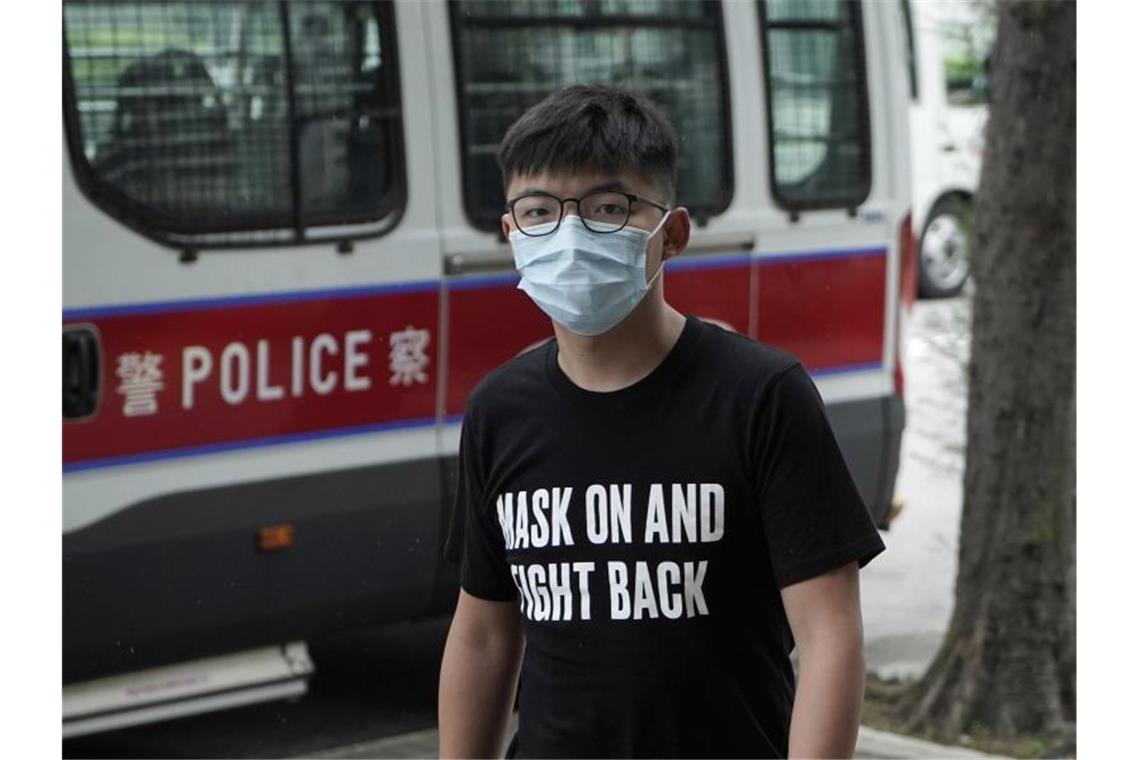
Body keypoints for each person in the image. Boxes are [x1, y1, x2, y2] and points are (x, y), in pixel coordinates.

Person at [438, 84, 885, 759]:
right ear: (512, 236)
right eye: (538, 212)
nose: (568, 234)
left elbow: (830, 635)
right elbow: (483, 632)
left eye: (607, 208)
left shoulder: (762, 396)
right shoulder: (499, 411)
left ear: (671, 233)